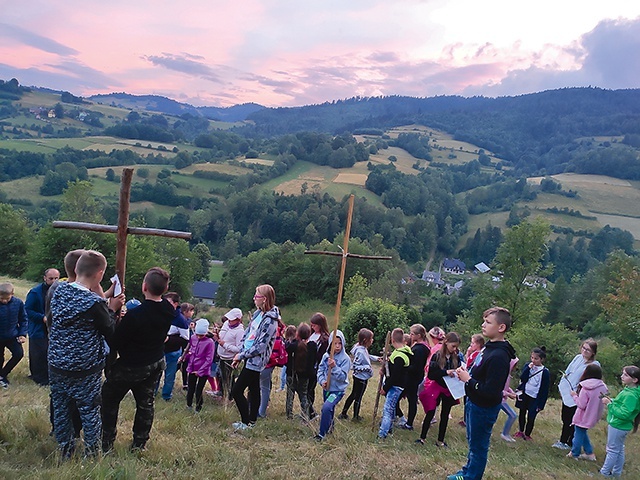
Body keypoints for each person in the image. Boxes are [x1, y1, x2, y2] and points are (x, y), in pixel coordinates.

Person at [48, 250, 124, 458]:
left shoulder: (58, 290)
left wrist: (103, 298)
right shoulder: (94, 304)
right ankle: (91, 453)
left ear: (76, 269)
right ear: (99, 274)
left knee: (61, 407)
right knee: (89, 410)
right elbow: (109, 330)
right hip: (85, 368)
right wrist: (112, 308)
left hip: (56, 363)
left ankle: (64, 449)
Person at [101, 267, 175, 452]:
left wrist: (111, 311)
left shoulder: (135, 315)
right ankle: (139, 444)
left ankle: (106, 442)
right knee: (146, 403)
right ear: (165, 289)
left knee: (108, 399)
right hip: (156, 361)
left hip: (132, 366)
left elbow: (115, 341)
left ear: (144, 287)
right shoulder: (168, 308)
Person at [448, 307, 517, 480]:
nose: (483, 325)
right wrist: (467, 371)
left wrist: (468, 380)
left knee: (479, 446)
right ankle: (467, 471)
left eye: (488, 322)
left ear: (501, 327)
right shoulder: (489, 347)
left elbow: (490, 390)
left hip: (484, 407)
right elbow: (480, 371)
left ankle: (472, 477)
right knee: (473, 443)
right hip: (474, 401)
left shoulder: (500, 356)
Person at [231, 284, 279, 430]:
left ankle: (246, 422)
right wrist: (240, 352)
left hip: (256, 360)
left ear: (264, 299)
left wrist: (241, 355)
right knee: (254, 389)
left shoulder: (270, 320)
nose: (254, 298)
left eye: (256, 296)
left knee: (236, 391)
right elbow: (248, 334)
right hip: (248, 357)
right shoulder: (259, 314)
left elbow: (260, 346)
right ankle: (252, 421)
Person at [417, 331, 463, 447]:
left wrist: (458, 372)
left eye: (456, 347)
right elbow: (431, 375)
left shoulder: (455, 357)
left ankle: (440, 440)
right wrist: (445, 372)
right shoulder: (437, 355)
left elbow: (458, 370)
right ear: (446, 342)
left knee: (445, 414)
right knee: (430, 412)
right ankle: (422, 438)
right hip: (437, 387)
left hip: (449, 389)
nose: (454, 349)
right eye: (453, 346)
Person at [553, 338, 600, 450]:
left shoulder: (594, 364)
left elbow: (592, 381)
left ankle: (567, 442)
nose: (584, 351)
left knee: (573, 419)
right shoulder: (578, 358)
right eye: (583, 348)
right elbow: (567, 373)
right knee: (565, 417)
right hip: (568, 392)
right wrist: (562, 387)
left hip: (579, 395)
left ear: (593, 352)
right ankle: (564, 440)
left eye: (588, 350)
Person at [600, 365, 640, 478]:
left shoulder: (631, 395)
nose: (622, 376)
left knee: (612, 450)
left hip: (618, 425)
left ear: (634, 379)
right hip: (621, 426)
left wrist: (609, 405)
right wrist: (611, 400)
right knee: (619, 449)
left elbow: (624, 414)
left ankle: (604, 473)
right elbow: (622, 405)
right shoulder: (631, 390)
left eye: (626, 375)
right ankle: (616, 473)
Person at [24, 268, 59, 386]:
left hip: (53, 327)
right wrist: (42, 318)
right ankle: (38, 377)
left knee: (50, 353)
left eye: (56, 278)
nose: (53, 281)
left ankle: (48, 375)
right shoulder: (35, 292)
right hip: (38, 327)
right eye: (51, 278)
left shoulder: (60, 291)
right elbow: (28, 309)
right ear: (45, 278)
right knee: (38, 353)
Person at [565, 363, 608, 460]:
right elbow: (602, 399)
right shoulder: (603, 387)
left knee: (577, 435)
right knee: (582, 433)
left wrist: (574, 395)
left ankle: (574, 453)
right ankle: (589, 453)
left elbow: (581, 404)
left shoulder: (585, 387)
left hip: (582, 416)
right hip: (594, 415)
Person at [315, 329, 351, 441]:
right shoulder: (326, 356)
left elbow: (342, 377)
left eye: (340, 343)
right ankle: (330, 428)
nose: (337, 346)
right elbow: (320, 370)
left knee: (326, 408)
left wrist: (334, 367)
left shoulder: (346, 359)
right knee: (330, 410)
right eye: (335, 343)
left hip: (337, 390)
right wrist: (322, 381)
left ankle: (321, 434)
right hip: (327, 388)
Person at [395, 324, 430, 431]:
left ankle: (407, 423)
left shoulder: (420, 349)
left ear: (419, 335)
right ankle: (403, 420)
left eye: (412, 334)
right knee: (408, 399)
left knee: (405, 398)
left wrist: (403, 367)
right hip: (413, 377)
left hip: (412, 378)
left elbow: (416, 366)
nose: (410, 335)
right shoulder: (420, 346)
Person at [378, 328, 412, 439]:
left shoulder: (400, 356)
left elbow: (395, 376)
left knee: (387, 409)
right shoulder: (399, 352)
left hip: (395, 387)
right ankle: (389, 429)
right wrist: (385, 365)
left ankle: (382, 434)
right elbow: (392, 369)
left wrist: (385, 387)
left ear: (392, 340)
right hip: (395, 385)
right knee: (391, 408)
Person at [339, 328, 379, 421]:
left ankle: (344, 413)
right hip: (361, 378)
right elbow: (354, 366)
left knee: (354, 395)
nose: (372, 340)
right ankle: (355, 416)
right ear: (365, 340)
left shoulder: (362, 348)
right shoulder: (360, 351)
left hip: (360, 377)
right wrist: (367, 369)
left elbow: (367, 357)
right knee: (358, 397)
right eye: (371, 338)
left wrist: (377, 358)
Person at [514, 347, 550, 440]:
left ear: (541, 359)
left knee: (531, 416)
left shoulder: (544, 372)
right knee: (522, 413)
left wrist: (541, 404)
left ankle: (527, 433)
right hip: (525, 393)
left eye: (536, 358)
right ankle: (520, 431)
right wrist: (528, 369)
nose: (533, 360)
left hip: (535, 397)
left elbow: (545, 389)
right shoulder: (528, 365)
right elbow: (523, 378)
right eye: (532, 358)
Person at [159, 292, 189, 401]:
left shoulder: (181, 320)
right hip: (159, 350)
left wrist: (169, 339)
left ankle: (166, 396)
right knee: (155, 373)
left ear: (175, 304)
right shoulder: (162, 314)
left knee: (169, 376)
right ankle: (152, 392)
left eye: (168, 302)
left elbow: (185, 339)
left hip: (172, 351)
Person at [285, 322, 315, 419]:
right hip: (305, 376)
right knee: (304, 396)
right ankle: (305, 415)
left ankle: (289, 415)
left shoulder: (292, 346)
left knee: (290, 395)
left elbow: (287, 348)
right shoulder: (312, 346)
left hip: (292, 374)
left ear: (297, 333)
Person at [258, 316, 287, 418]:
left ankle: (261, 412)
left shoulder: (273, 331)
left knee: (264, 387)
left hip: (267, 362)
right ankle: (260, 408)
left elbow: (270, 349)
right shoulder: (279, 330)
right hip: (270, 362)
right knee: (264, 386)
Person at [0, 282, 28, 388]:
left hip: (12, 335)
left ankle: (3, 374)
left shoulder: (18, 303)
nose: (4, 301)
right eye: (1, 298)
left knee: (18, 354)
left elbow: (23, 319)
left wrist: (22, 334)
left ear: (12, 294)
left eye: (7, 298)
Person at [184, 318, 215, 413]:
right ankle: (189, 405)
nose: (199, 337)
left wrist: (200, 371)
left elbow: (209, 359)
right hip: (192, 367)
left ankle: (198, 408)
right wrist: (185, 357)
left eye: (201, 335)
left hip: (203, 370)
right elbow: (190, 349)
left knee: (198, 390)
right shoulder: (193, 337)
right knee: (190, 388)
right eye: (197, 335)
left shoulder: (210, 342)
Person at [213, 308, 244, 400]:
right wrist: (217, 335)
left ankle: (229, 397)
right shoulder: (226, 324)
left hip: (229, 359)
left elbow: (238, 349)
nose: (229, 321)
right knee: (222, 377)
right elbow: (221, 336)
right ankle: (223, 394)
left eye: (232, 319)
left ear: (238, 320)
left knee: (229, 379)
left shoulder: (240, 331)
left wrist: (224, 344)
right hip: (221, 356)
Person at [307, 312, 330, 419]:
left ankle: (311, 412)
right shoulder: (311, 335)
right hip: (308, 366)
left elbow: (323, 355)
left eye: (314, 325)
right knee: (306, 389)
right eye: (311, 325)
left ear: (320, 325)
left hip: (316, 367)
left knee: (310, 389)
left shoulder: (324, 339)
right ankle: (308, 410)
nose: (312, 327)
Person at [499, 356, 519, 442]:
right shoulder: (502, 375)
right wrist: (509, 394)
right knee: (513, 415)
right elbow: (499, 390)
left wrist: (512, 392)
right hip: (499, 400)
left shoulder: (507, 375)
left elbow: (506, 387)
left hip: (502, 399)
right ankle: (505, 434)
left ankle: (505, 433)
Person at [178, 302, 195, 391]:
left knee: (185, 366)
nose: (192, 313)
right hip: (179, 346)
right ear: (185, 311)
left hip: (187, 347)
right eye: (191, 311)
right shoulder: (180, 320)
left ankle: (185, 383)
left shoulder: (189, 321)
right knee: (177, 364)